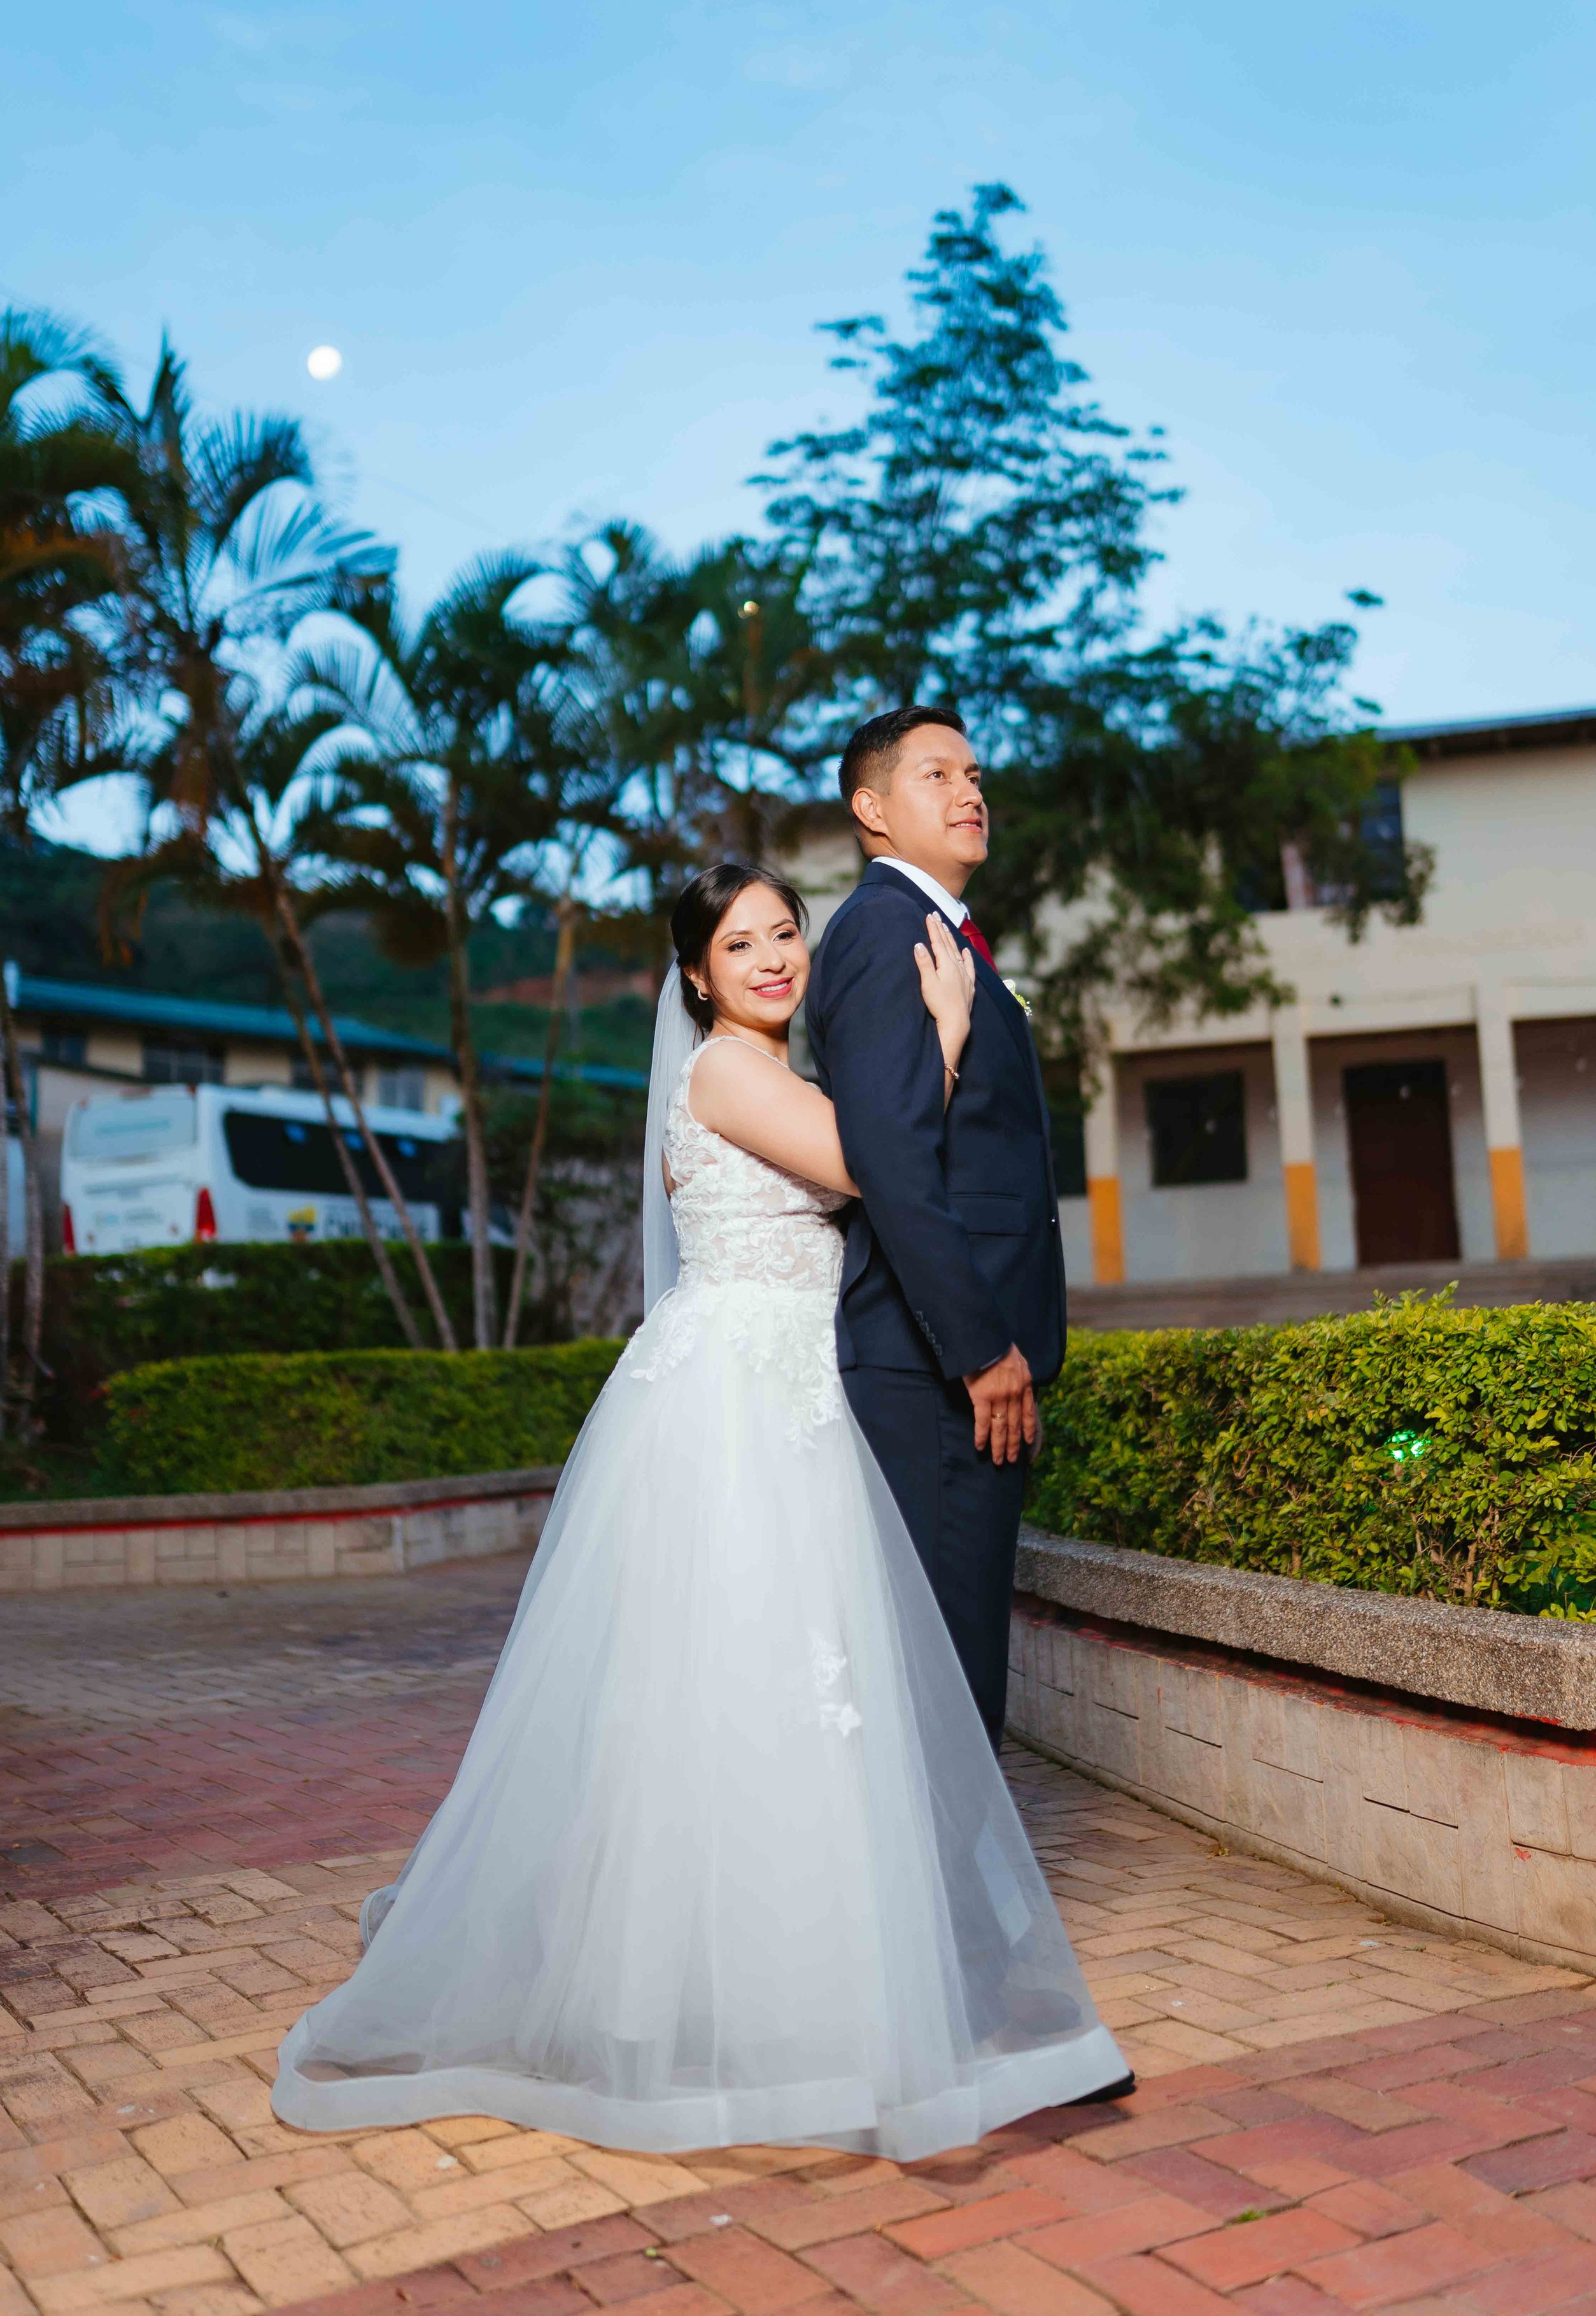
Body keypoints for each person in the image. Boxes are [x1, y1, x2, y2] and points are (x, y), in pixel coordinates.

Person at [271, 860, 1128, 2155]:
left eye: (785, 933)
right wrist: (945, 1038)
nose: (775, 958)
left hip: (792, 1387)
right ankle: (710, 1985)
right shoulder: (730, 1073)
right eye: (743, 945)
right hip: (739, 1395)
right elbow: (859, 1165)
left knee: (798, 1690)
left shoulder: (775, 1070)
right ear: (696, 976)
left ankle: (813, 1967)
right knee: (737, 1680)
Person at [805, 707, 1066, 1747]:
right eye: (937, 776)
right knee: (946, 1676)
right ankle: (952, 1909)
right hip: (940, 1371)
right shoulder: (881, 932)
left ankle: (948, 1902)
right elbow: (895, 1159)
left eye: (975, 773)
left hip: (962, 1359)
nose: (971, 792)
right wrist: (979, 1347)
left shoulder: (945, 935)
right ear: (872, 809)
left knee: (954, 1658)